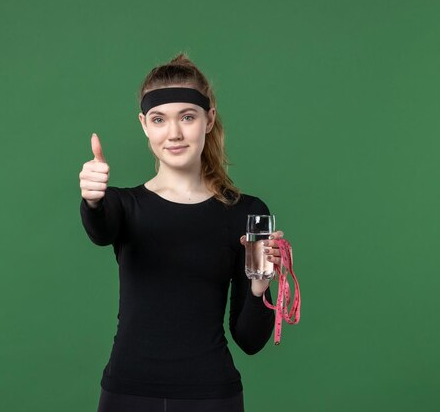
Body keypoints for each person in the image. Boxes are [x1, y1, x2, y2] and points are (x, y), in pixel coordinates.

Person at [79, 53, 286, 412]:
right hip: (128, 393)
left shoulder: (247, 213)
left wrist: (260, 285)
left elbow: (250, 340)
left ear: (209, 120)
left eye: (187, 117)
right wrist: (92, 198)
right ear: (145, 125)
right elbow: (100, 229)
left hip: (212, 396)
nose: (173, 133)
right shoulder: (121, 206)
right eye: (160, 119)